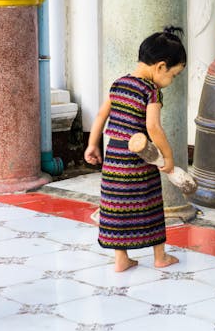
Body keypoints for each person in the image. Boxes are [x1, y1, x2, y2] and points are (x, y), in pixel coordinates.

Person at [84, 26, 186, 272]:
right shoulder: (151, 92)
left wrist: (92, 145)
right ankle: (160, 257)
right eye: (174, 74)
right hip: (140, 159)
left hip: (114, 158)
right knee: (149, 204)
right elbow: (154, 128)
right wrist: (169, 156)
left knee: (116, 205)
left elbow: (100, 115)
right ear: (160, 66)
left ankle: (121, 260)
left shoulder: (118, 84)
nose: (171, 81)